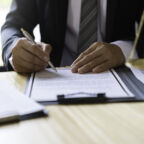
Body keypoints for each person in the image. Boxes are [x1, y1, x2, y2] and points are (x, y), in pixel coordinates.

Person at [1, 0, 141, 73]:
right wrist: (15, 48)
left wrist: (123, 51)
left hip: (121, 77)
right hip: (53, 76)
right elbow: (13, 24)